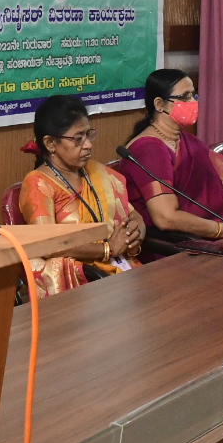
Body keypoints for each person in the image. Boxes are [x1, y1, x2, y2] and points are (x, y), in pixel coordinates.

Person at [18, 95, 146, 297]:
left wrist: (134, 234)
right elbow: (47, 245)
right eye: (78, 138)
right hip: (81, 284)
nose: (88, 145)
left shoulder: (96, 172)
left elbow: (132, 214)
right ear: (50, 143)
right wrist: (107, 249)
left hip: (121, 267)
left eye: (88, 134)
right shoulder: (38, 183)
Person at [121, 69, 223, 243]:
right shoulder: (148, 150)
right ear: (159, 104)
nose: (193, 102)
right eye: (184, 97)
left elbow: (216, 186)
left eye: (193, 95)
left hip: (220, 234)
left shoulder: (189, 140)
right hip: (179, 246)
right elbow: (166, 218)